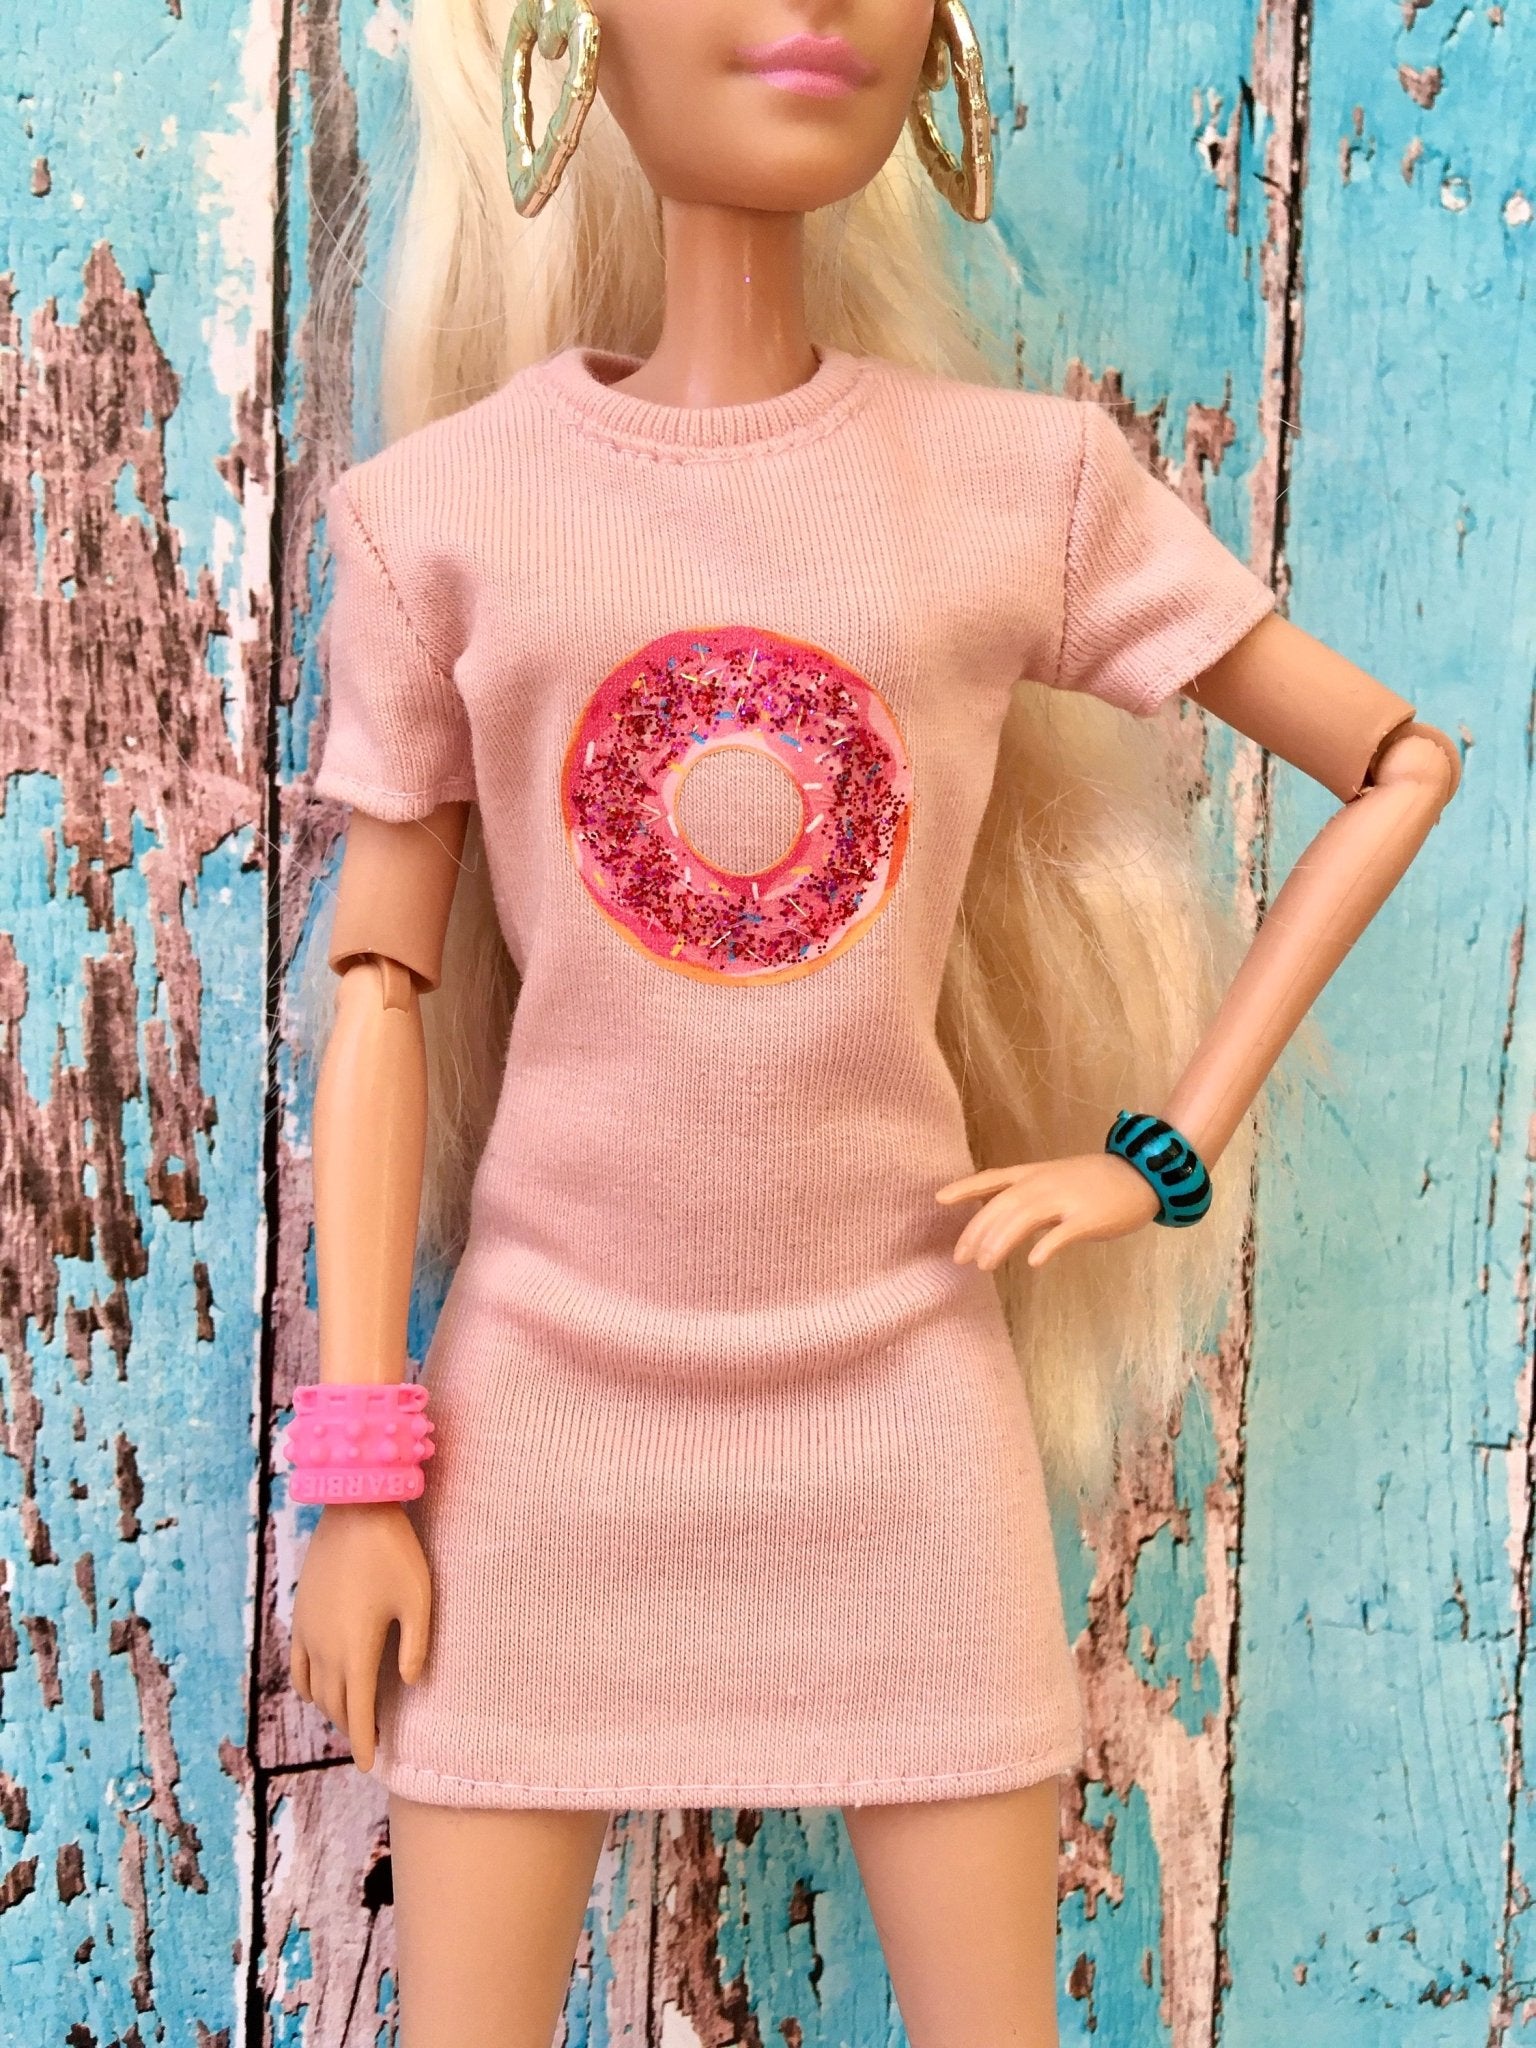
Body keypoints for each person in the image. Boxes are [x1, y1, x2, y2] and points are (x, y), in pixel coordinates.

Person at [284, 3, 1462, 2041]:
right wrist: (364, 1469)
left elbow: (1396, 762)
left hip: (903, 1401)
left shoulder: (1018, 487)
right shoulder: (444, 513)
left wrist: (1160, 1152)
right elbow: (378, 987)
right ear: (571, 35)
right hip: (546, 1412)